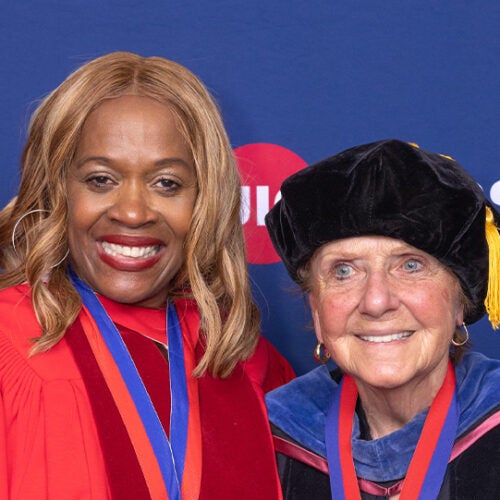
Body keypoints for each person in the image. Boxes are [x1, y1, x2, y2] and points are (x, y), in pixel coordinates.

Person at [0, 51, 294, 500]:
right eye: (100, 180)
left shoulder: (247, 360)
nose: (133, 212)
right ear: (56, 187)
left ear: (205, 202)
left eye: (167, 184)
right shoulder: (9, 341)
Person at [264, 139, 500, 499]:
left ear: (459, 302)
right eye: (343, 271)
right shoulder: (268, 440)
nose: (376, 302)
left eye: (410, 265)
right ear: (316, 307)